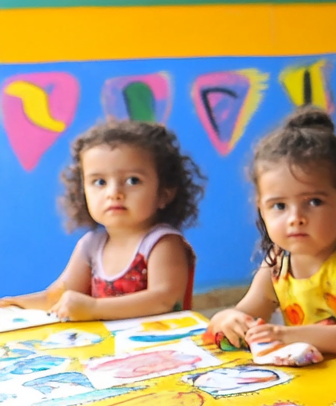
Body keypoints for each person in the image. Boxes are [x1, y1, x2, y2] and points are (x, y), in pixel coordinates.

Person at [207, 108, 336, 364]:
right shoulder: (277, 263)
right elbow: (246, 311)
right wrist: (227, 318)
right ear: (261, 207)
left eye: (314, 201)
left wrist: (283, 334)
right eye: (279, 206)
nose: (296, 217)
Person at [1, 120, 203, 321]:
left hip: (164, 346)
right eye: (99, 182)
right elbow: (57, 297)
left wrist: (94, 307)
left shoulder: (163, 243)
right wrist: (14, 304)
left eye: (133, 180)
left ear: (164, 193)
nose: (114, 193)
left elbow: (164, 300)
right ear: (82, 191)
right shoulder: (91, 245)